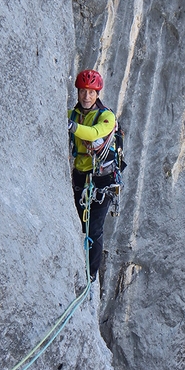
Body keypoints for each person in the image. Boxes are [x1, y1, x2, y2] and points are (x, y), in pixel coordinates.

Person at [67, 69, 117, 282]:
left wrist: (71, 126)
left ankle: (91, 274)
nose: (86, 97)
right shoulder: (73, 115)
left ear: (97, 94)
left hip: (102, 179)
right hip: (80, 175)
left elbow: (95, 133)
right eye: (83, 92)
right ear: (77, 93)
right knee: (77, 223)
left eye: (91, 92)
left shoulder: (106, 116)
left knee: (94, 230)